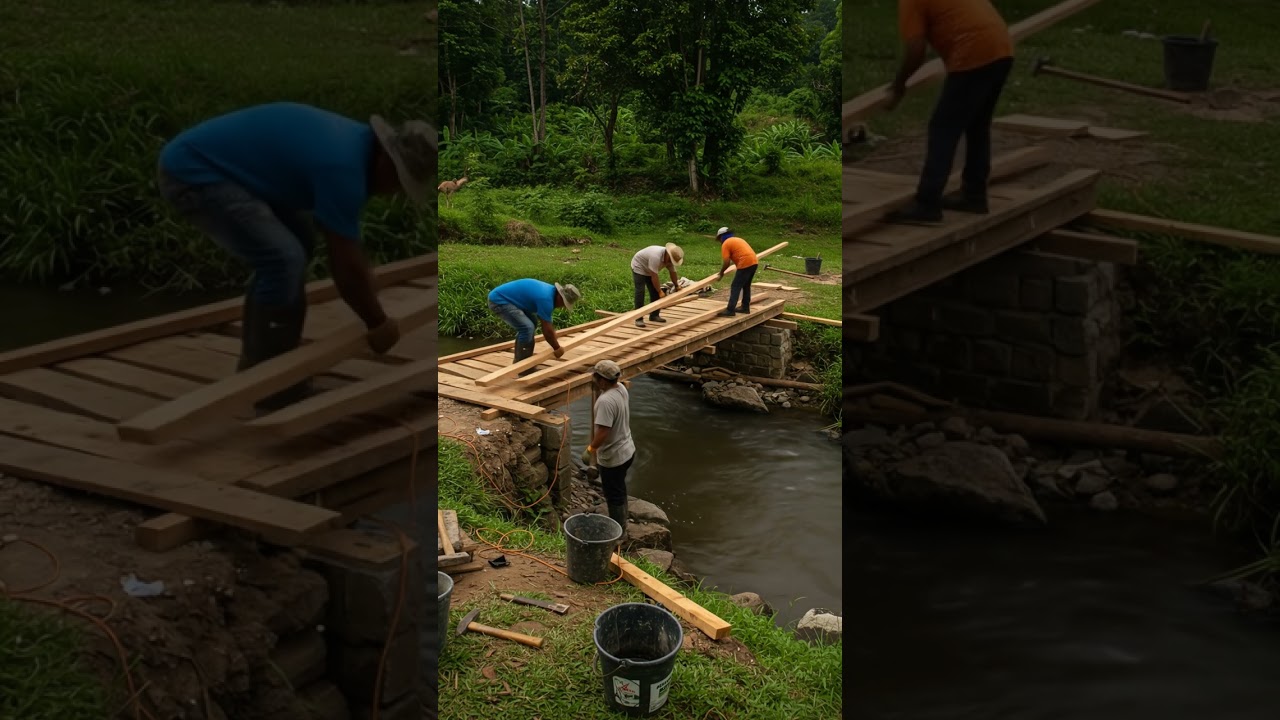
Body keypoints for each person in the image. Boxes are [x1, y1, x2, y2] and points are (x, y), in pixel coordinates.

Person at [157, 102, 436, 410]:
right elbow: (346, 266)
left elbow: (347, 249)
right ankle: (268, 385)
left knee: (296, 244)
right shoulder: (342, 168)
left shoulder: (354, 145)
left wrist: (369, 297)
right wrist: (377, 322)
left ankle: (264, 367)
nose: (390, 191)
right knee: (282, 259)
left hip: (226, 169)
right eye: (397, 181)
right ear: (386, 160)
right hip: (195, 173)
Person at [883, 0, 1014, 225]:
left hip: (974, 52)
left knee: (943, 128)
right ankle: (974, 195)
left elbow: (916, 49)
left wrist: (898, 86)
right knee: (977, 125)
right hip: (1001, 48)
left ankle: (927, 204)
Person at [579, 360, 635, 536]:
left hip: (614, 458)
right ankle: (622, 521)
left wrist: (591, 449)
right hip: (628, 450)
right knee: (619, 488)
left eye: (595, 376)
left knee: (613, 495)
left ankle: (618, 532)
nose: (593, 379)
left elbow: (603, 431)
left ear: (602, 380)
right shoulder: (621, 389)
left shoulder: (604, 401)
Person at [488, 279, 581, 375]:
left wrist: (555, 343)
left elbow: (548, 324)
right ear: (560, 297)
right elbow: (547, 331)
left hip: (511, 300)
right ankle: (521, 367)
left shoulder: (550, 293)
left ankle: (524, 361)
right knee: (527, 328)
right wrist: (556, 348)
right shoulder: (546, 299)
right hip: (499, 301)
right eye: (563, 303)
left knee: (532, 323)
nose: (562, 306)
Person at [630, 243, 684, 328]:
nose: (670, 262)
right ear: (667, 254)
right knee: (640, 291)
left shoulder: (670, 258)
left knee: (654, 291)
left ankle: (654, 315)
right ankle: (639, 318)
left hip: (650, 269)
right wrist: (659, 291)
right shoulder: (656, 257)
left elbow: (673, 273)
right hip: (639, 266)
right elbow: (654, 276)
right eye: (670, 260)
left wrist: (676, 285)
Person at [714, 227, 759, 317]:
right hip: (754, 262)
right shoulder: (737, 239)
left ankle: (730, 310)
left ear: (721, 237)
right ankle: (745, 307)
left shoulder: (726, 243)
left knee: (735, 286)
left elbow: (726, 262)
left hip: (745, 263)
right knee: (746, 285)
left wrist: (721, 273)